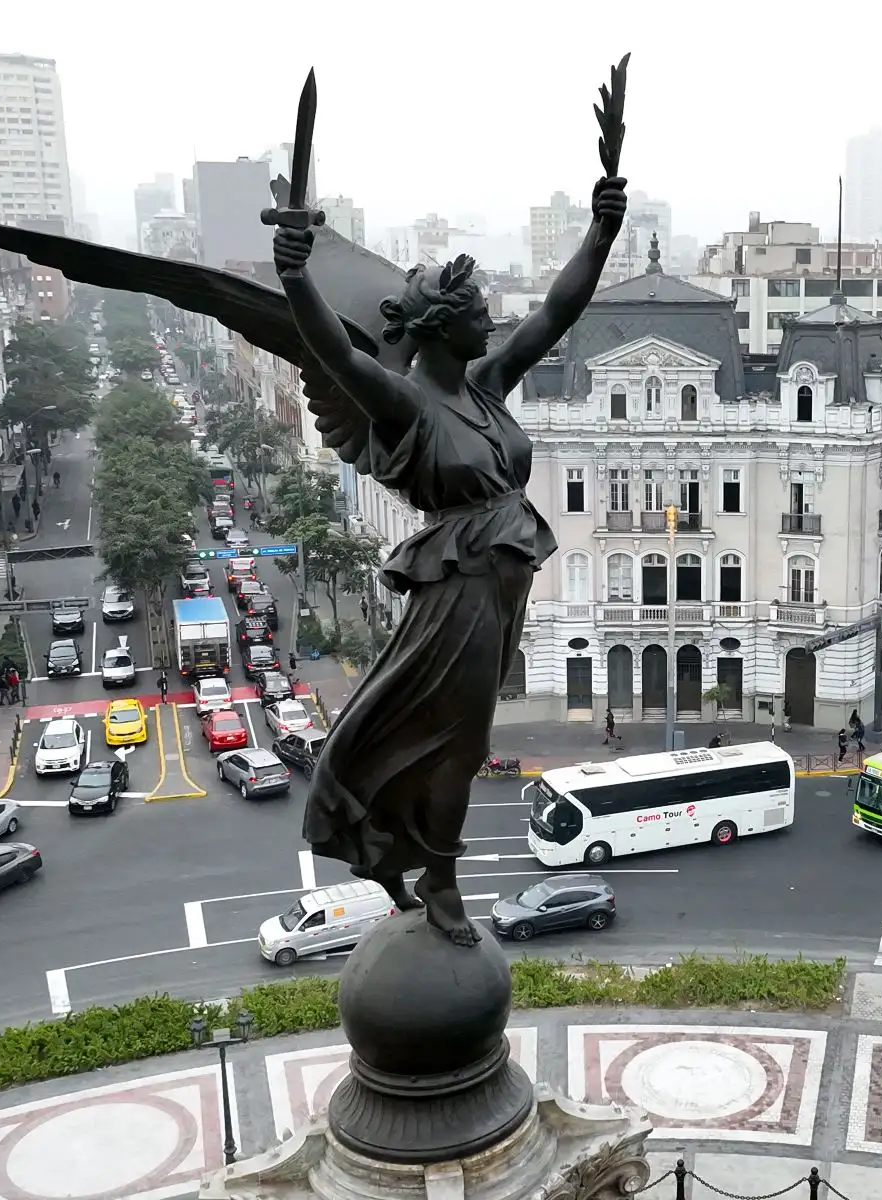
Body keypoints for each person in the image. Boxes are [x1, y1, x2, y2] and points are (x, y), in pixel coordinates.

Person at [272, 162, 629, 945]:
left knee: (451, 734)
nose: (492, 324)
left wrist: (601, 230)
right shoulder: (407, 404)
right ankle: (437, 878)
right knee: (460, 741)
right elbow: (338, 355)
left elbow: (558, 310)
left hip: (503, 587)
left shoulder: (487, 383)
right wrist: (296, 278)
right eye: (476, 313)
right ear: (440, 326)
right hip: (461, 586)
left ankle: (401, 853)